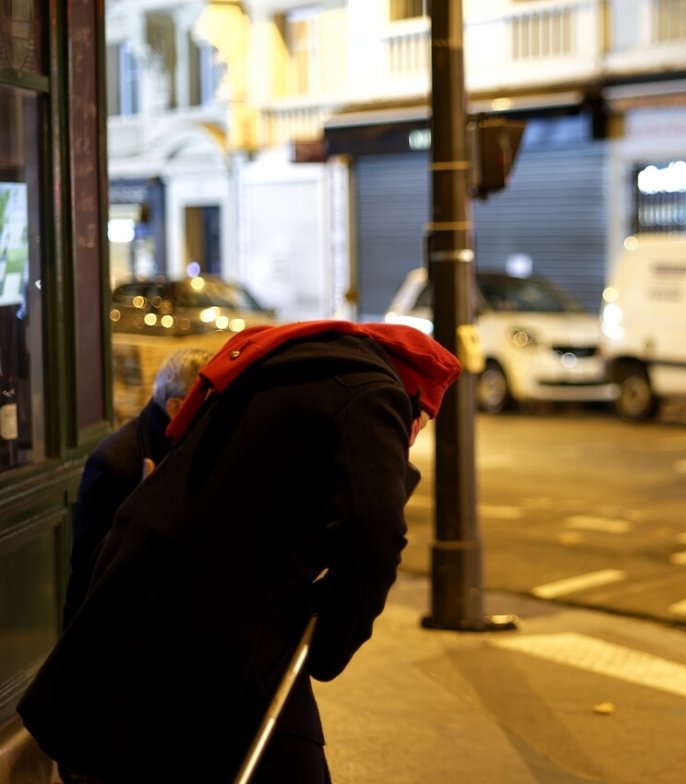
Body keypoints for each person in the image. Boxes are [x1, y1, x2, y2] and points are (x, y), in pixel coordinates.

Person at [19, 321, 461, 784]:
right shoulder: (375, 393)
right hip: (219, 618)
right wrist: (332, 644)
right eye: (422, 422)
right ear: (415, 396)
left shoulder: (295, 363)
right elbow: (376, 533)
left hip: (173, 592)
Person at [61, 347, 213, 631]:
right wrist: (143, 509)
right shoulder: (113, 462)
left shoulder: (185, 444)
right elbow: (91, 571)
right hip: (114, 633)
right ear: (176, 408)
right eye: (209, 404)